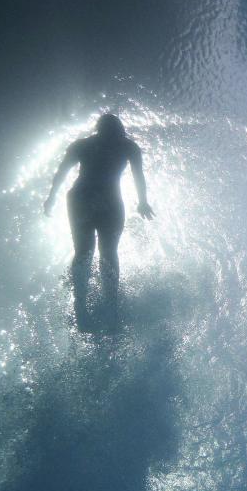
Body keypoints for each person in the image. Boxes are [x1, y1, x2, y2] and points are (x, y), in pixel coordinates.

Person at [43, 114, 154, 330]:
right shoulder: (123, 146)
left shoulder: (108, 146)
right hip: (93, 201)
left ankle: (100, 301)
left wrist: (52, 197)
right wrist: (51, 196)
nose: (109, 138)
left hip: (91, 200)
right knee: (95, 251)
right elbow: (62, 170)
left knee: (96, 251)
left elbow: (62, 171)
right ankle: (87, 302)